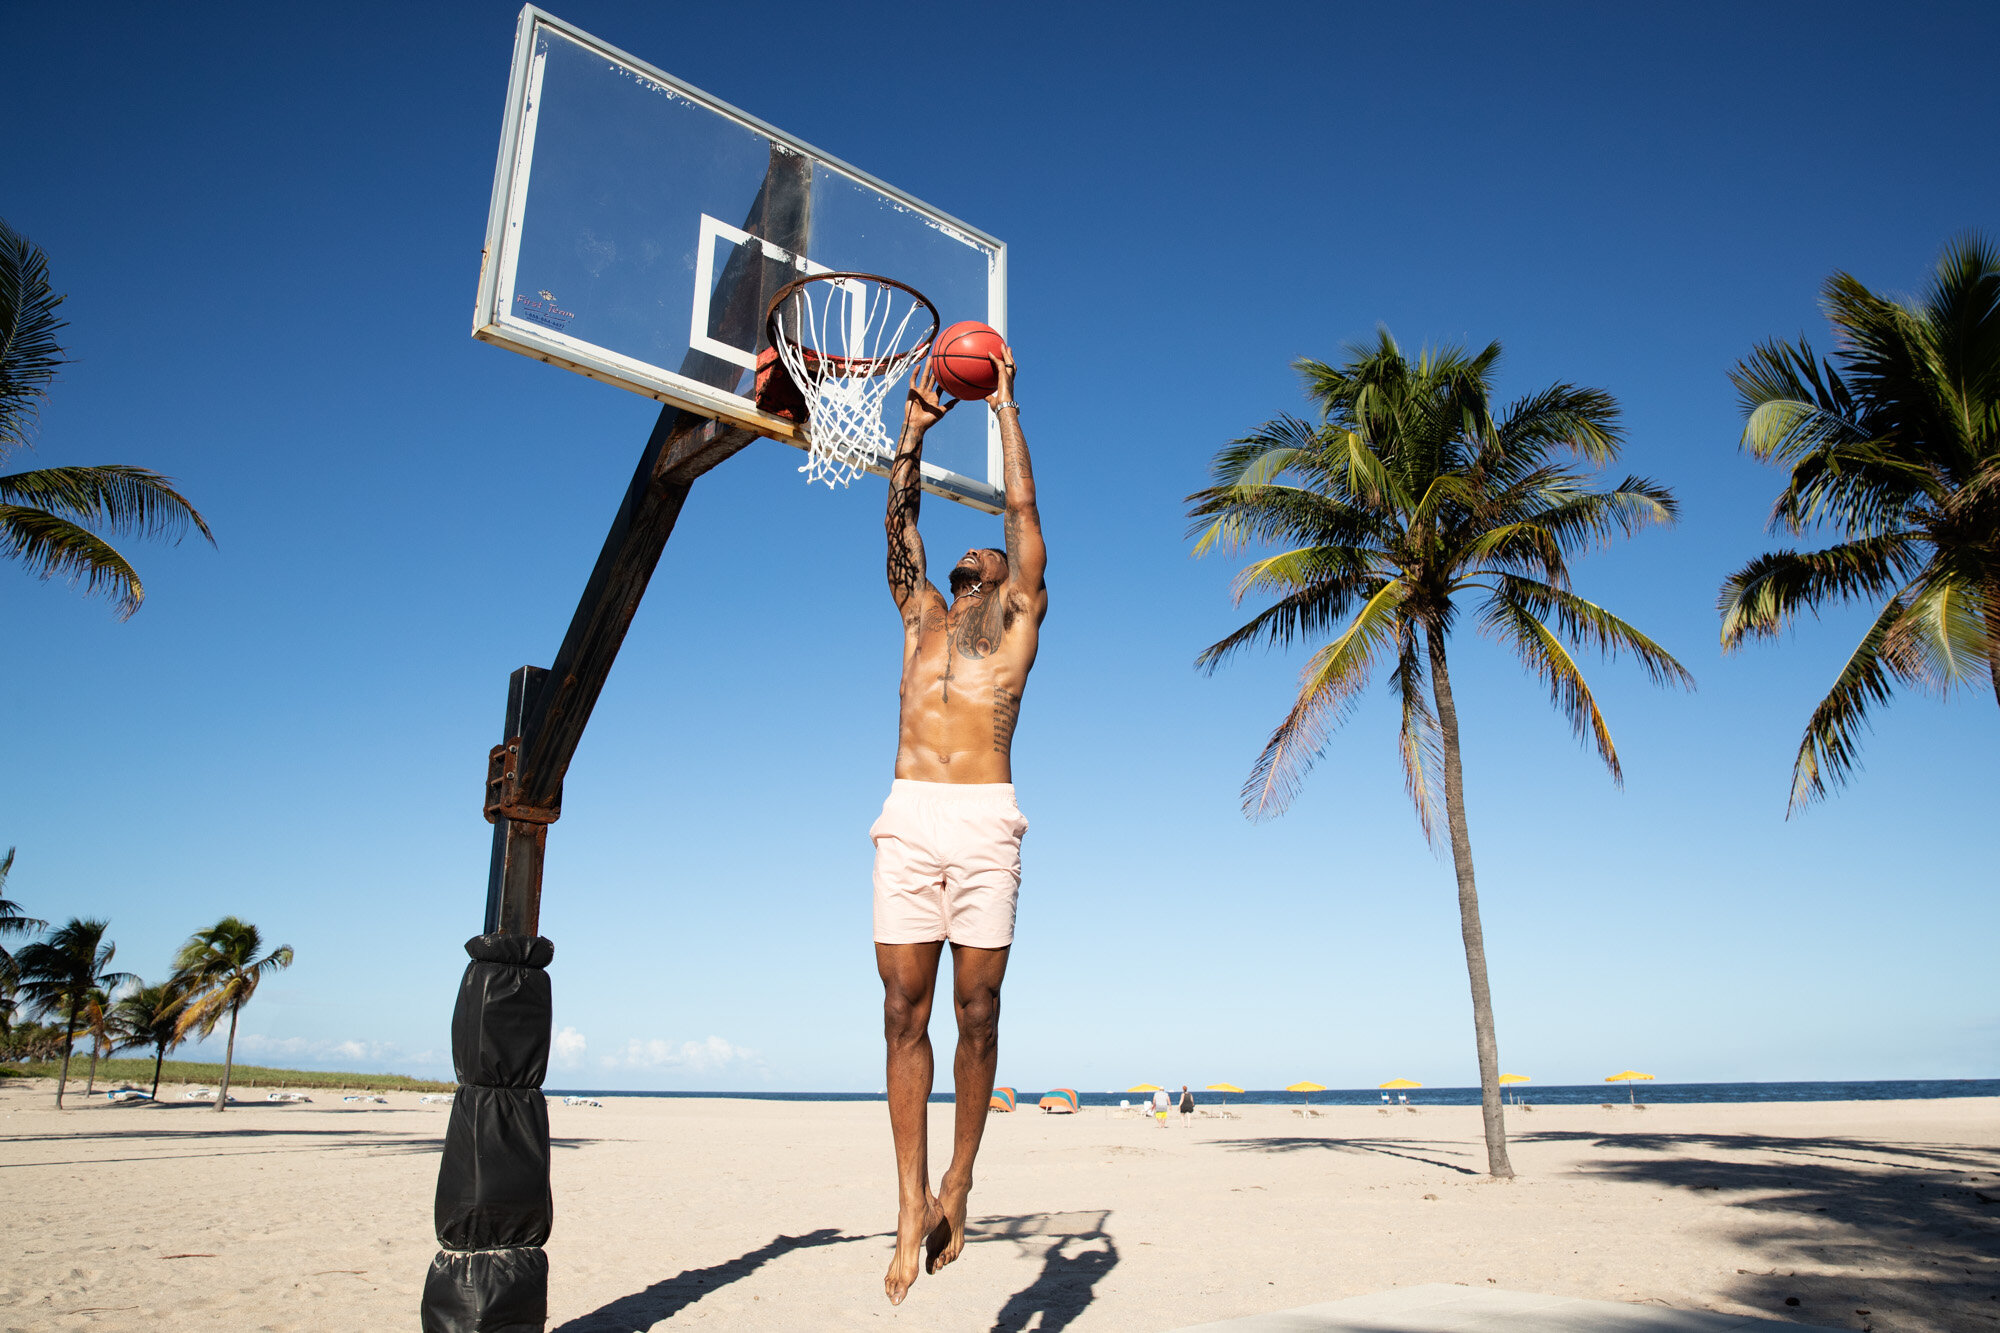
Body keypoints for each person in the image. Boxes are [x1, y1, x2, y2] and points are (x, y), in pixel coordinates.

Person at [874, 350, 1047, 1306]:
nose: (977, 547)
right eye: (967, 547)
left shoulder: (1015, 617)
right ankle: (909, 1200)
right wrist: (911, 431)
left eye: (989, 548)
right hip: (908, 813)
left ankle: (961, 1179)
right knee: (904, 1010)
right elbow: (898, 526)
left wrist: (1006, 407)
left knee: (977, 1011)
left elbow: (1023, 520)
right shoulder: (922, 616)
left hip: (984, 816)